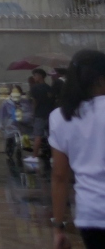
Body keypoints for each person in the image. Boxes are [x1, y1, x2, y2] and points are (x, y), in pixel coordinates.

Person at [50, 49, 105, 249]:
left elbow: (59, 176)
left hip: (90, 215)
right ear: (100, 79)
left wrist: (58, 227)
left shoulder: (61, 116)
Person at [0, 84, 33, 166]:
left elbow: (29, 112)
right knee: (10, 133)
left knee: (25, 133)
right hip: (11, 123)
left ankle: (26, 144)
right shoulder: (6, 103)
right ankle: (10, 145)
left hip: (23, 122)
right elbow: (2, 114)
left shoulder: (24, 102)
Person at [30, 68, 56, 161]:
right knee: (51, 137)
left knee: (37, 136)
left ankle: (34, 156)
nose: (34, 77)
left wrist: (33, 113)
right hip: (49, 114)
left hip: (39, 114)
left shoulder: (35, 88)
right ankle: (53, 157)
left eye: (35, 75)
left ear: (40, 76)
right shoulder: (49, 88)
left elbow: (34, 102)